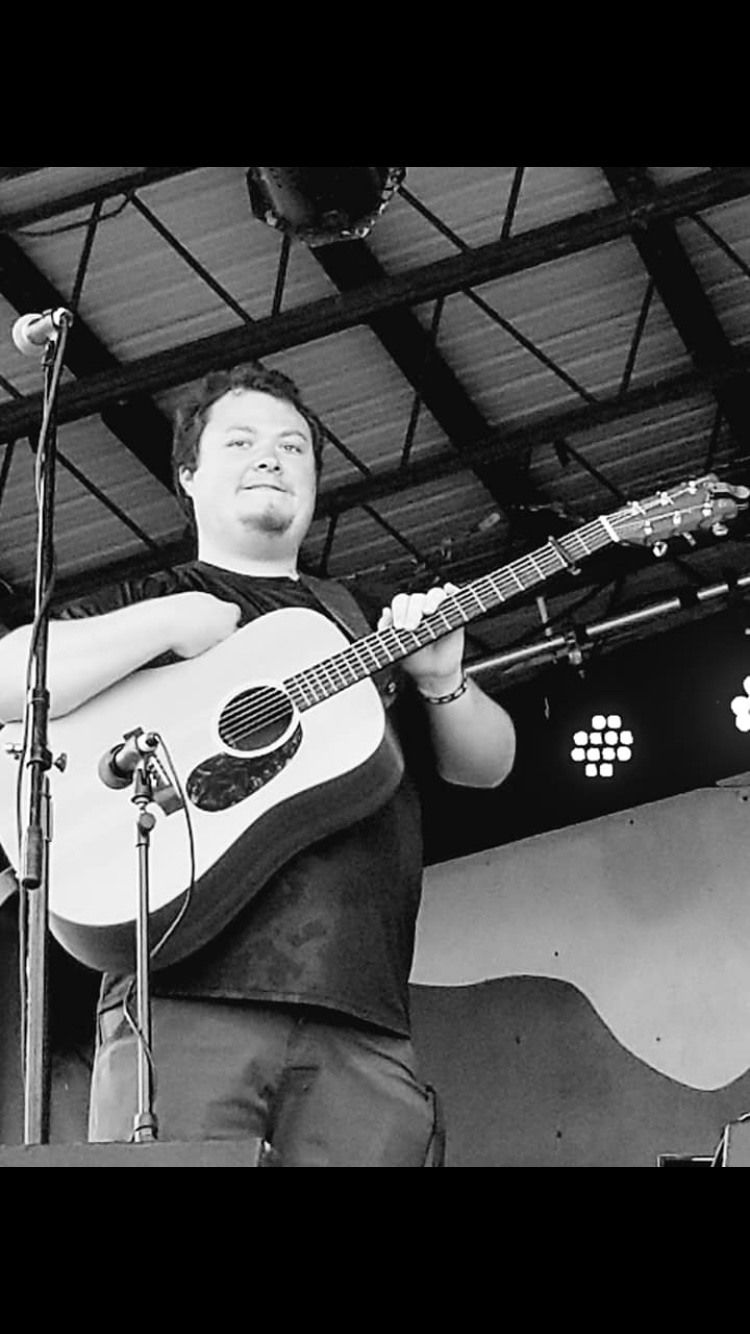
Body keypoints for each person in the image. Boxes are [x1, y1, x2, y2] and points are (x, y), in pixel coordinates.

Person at [0, 363, 516, 1167]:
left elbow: (488, 765)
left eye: (293, 447)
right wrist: (170, 622)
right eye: (240, 443)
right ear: (189, 476)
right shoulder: (151, 598)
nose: (270, 457)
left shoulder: (364, 620)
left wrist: (444, 680)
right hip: (177, 1000)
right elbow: (12, 681)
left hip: (362, 1014)